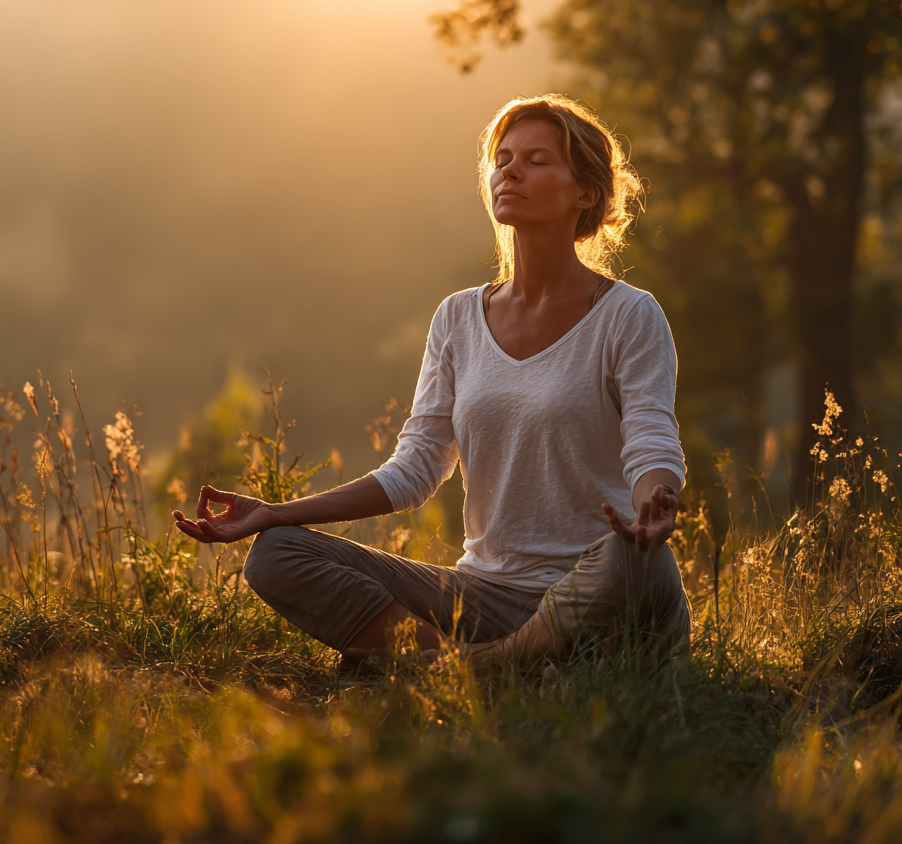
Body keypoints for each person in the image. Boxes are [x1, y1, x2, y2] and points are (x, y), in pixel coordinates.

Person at [174, 94, 690, 671]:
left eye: (538, 160)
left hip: (595, 588)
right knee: (276, 555)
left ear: (585, 193)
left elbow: (651, 438)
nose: (511, 170)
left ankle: (463, 671)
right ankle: (494, 664)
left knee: (636, 560)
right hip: (483, 598)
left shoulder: (629, 314)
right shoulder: (458, 317)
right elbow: (415, 470)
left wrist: (654, 505)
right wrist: (277, 511)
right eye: (504, 158)